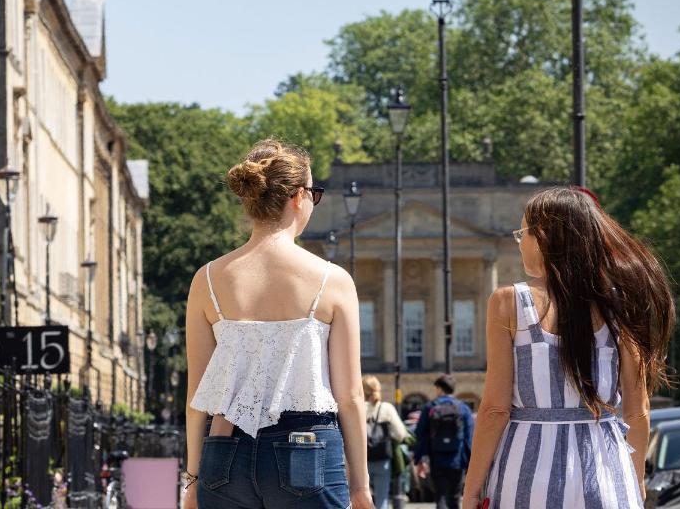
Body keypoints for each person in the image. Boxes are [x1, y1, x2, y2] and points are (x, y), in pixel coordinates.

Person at [183, 139, 373, 509]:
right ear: (298, 197)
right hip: (308, 447)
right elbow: (350, 396)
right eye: (314, 194)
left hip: (224, 450)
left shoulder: (206, 279)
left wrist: (192, 478)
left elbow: (197, 396)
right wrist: (360, 484)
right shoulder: (330, 280)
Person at [462, 187, 675, 509]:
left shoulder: (509, 302)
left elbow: (495, 409)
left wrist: (471, 490)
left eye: (523, 234)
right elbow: (637, 409)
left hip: (527, 469)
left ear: (544, 236)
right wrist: (636, 479)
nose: (520, 245)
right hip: (605, 466)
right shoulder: (619, 302)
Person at [413, 374, 475, 509]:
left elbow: (420, 433)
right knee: (455, 497)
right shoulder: (463, 408)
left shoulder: (430, 407)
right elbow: (469, 436)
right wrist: (470, 462)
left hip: (436, 459)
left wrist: (420, 459)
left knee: (440, 496)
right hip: (457, 460)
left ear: (440, 389)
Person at [363, 375, 408, 509]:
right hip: (382, 459)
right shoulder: (386, 408)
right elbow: (400, 434)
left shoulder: (357, 407)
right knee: (382, 500)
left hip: (360, 461)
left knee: (358, 498)